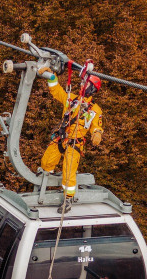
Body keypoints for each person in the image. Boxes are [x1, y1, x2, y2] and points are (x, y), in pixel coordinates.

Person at [36, 65, 104, 210]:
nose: (82, 86)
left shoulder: (95, 109)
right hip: (61, 138)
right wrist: (52, 77)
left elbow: (96, 125)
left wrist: (97, 132)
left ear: (92, 88)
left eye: (85, 84)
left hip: (75, 144)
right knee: (47, 162)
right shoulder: (72, 99)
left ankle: (68, 199)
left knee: (69, 172)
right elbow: (57, 92)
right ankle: (46, 182)